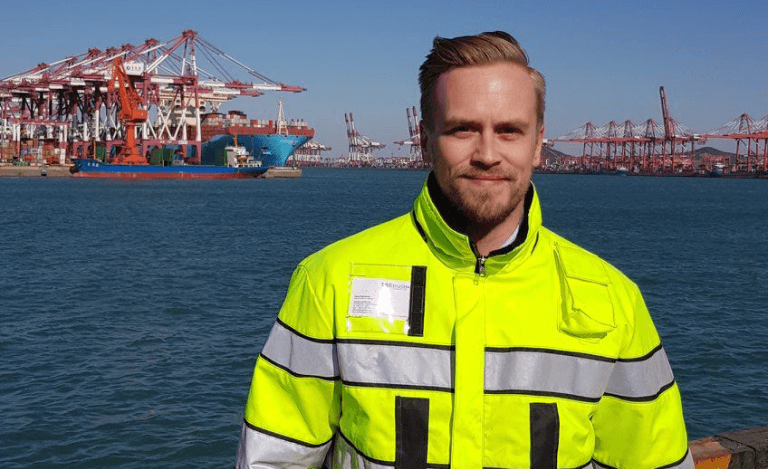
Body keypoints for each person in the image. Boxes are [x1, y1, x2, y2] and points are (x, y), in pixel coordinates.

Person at [236, 31, 692, 469]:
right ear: (425, 141)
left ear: (538, 144)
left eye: (509, 130)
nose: (487, 154)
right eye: (462, 129)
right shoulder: (329, 284)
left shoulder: (615, 302)